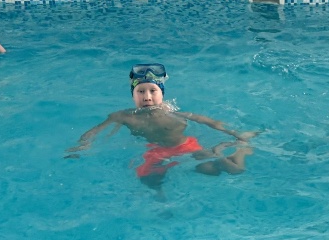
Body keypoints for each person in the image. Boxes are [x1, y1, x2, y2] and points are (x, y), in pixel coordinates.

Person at [65, 63, 258, 188]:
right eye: (140, 92)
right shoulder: (123, 116)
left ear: (162, 94)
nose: (147, 97)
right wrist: (83, 145)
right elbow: (95, 131)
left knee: (216, 170)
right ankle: (161, 201)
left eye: (152, 91)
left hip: (185, 145)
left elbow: (205, 121)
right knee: (147, 179)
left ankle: (234, 151)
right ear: (133, 96)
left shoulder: (170, 111)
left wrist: (233, 133)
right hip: (157, 150)